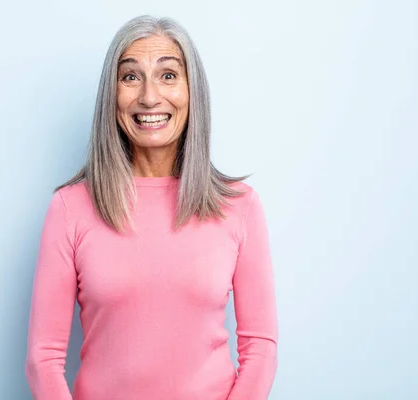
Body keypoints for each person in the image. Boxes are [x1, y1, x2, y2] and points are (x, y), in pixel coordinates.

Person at [24, 15, 278, 400]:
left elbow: (261, 348)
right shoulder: (69, 208)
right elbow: (43, 358)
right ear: (112, 95)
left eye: (168, 75)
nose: (148, 96)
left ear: (193, 92)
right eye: (130, 77)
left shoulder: (240, 207)